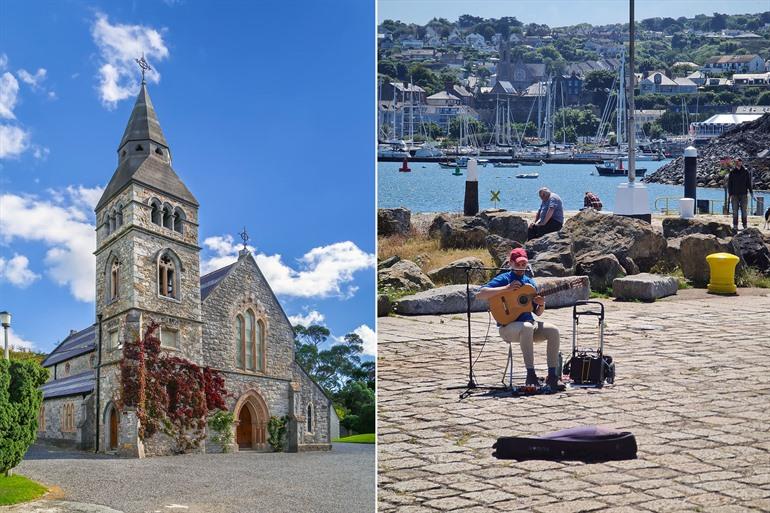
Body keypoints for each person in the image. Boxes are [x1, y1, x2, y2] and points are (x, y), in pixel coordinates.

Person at [476, 248, 562, 390]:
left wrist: (541, 304)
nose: (521, 268)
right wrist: (506, 289)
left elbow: (538, 313)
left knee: (553, 330)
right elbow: (480, 294)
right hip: (508, 327)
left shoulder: (530, 283)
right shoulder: (504, 278)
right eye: (518, 264)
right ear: (511, 263)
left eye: (524, 265)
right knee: (526, 327)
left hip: (529, 325)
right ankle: (531, 374)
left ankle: (553, 376)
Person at [727, 157, 753, 231]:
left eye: (739, 161)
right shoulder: (732, 172)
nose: (738, 163)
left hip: (744, 194)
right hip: (734, 194)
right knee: (735, 211)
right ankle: (735, 225)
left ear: (741, 162)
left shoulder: (745, 171)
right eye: (737, 162)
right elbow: (730, 184)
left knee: (744, 211)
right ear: (735, 163)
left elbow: (748, 183)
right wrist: (730, 194)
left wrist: (751, 192)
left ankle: (744, 225)